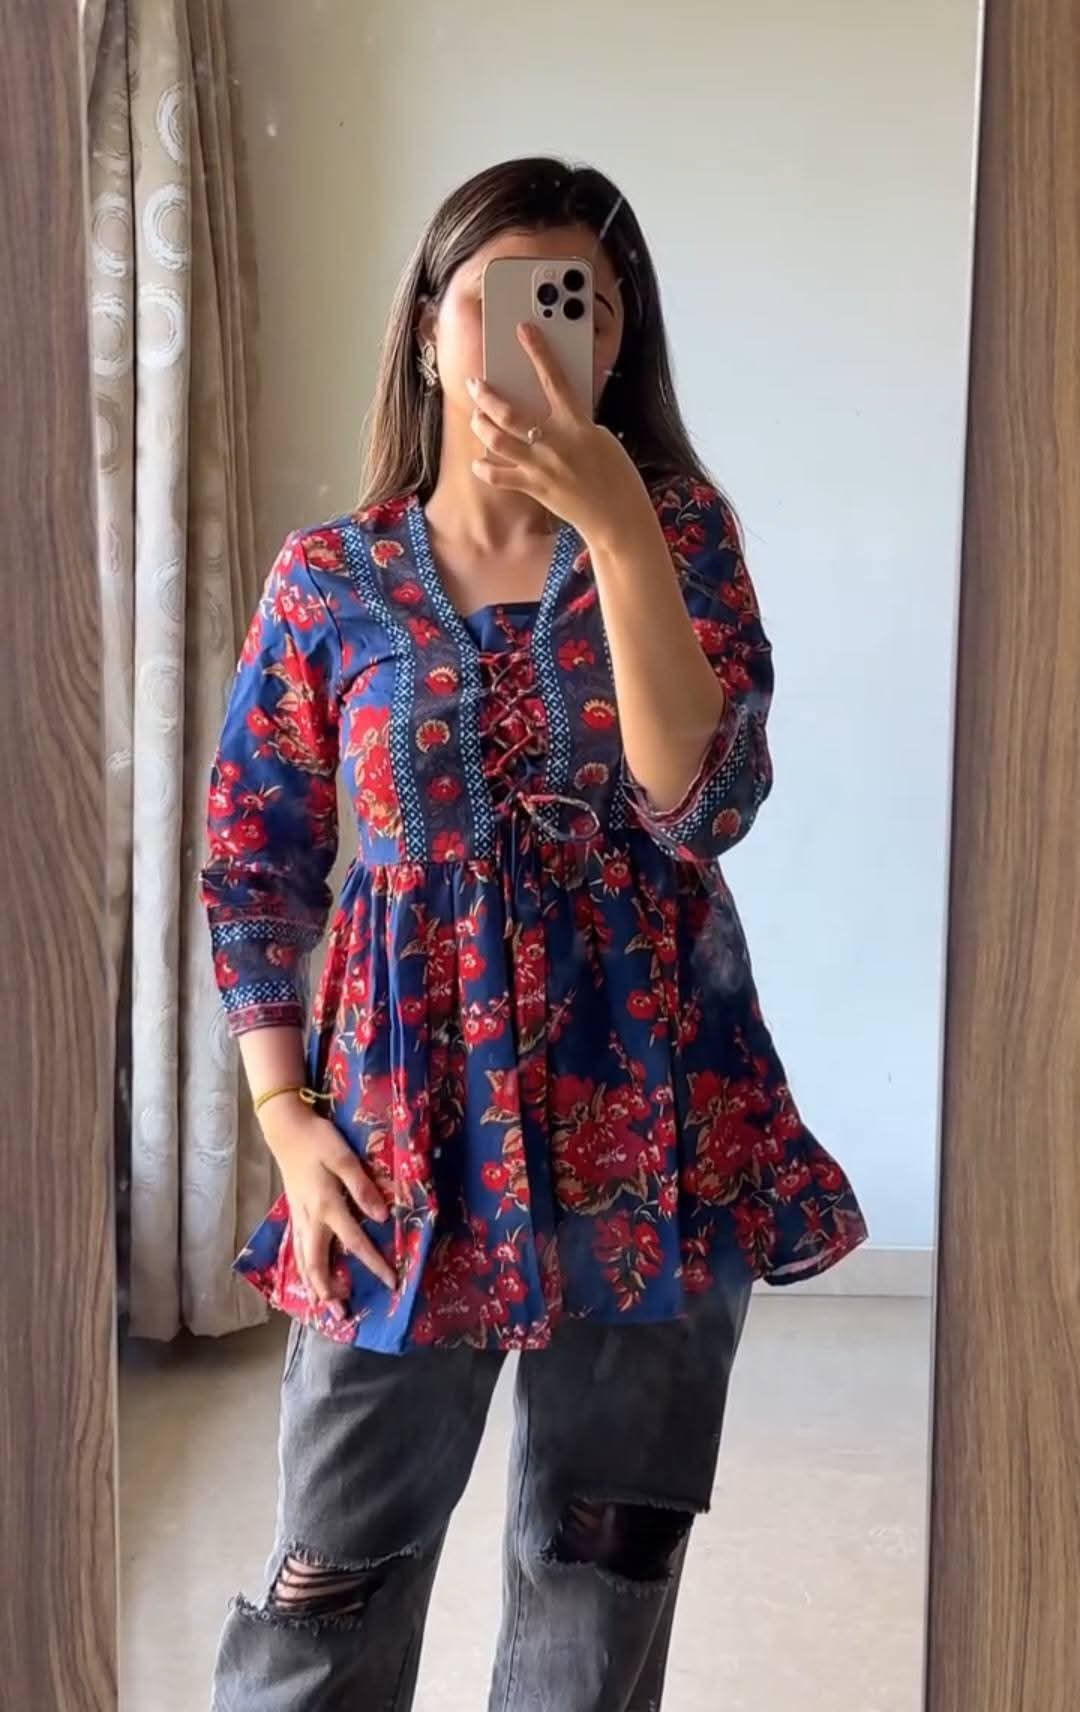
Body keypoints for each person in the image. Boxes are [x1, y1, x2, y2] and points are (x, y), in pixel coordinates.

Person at [201, 155, 867, 1712]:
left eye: (587, 306)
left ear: (621, 342)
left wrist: (621, 532)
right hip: (400, 1145)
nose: (544, 335)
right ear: (429, 331)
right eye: (498, 300)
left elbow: (702, 808)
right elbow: (254, 859)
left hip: (661, 1133)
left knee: (600, 1585)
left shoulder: (680, 538)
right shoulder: (329, 580)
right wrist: (284, 1114)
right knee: (327, 1583)